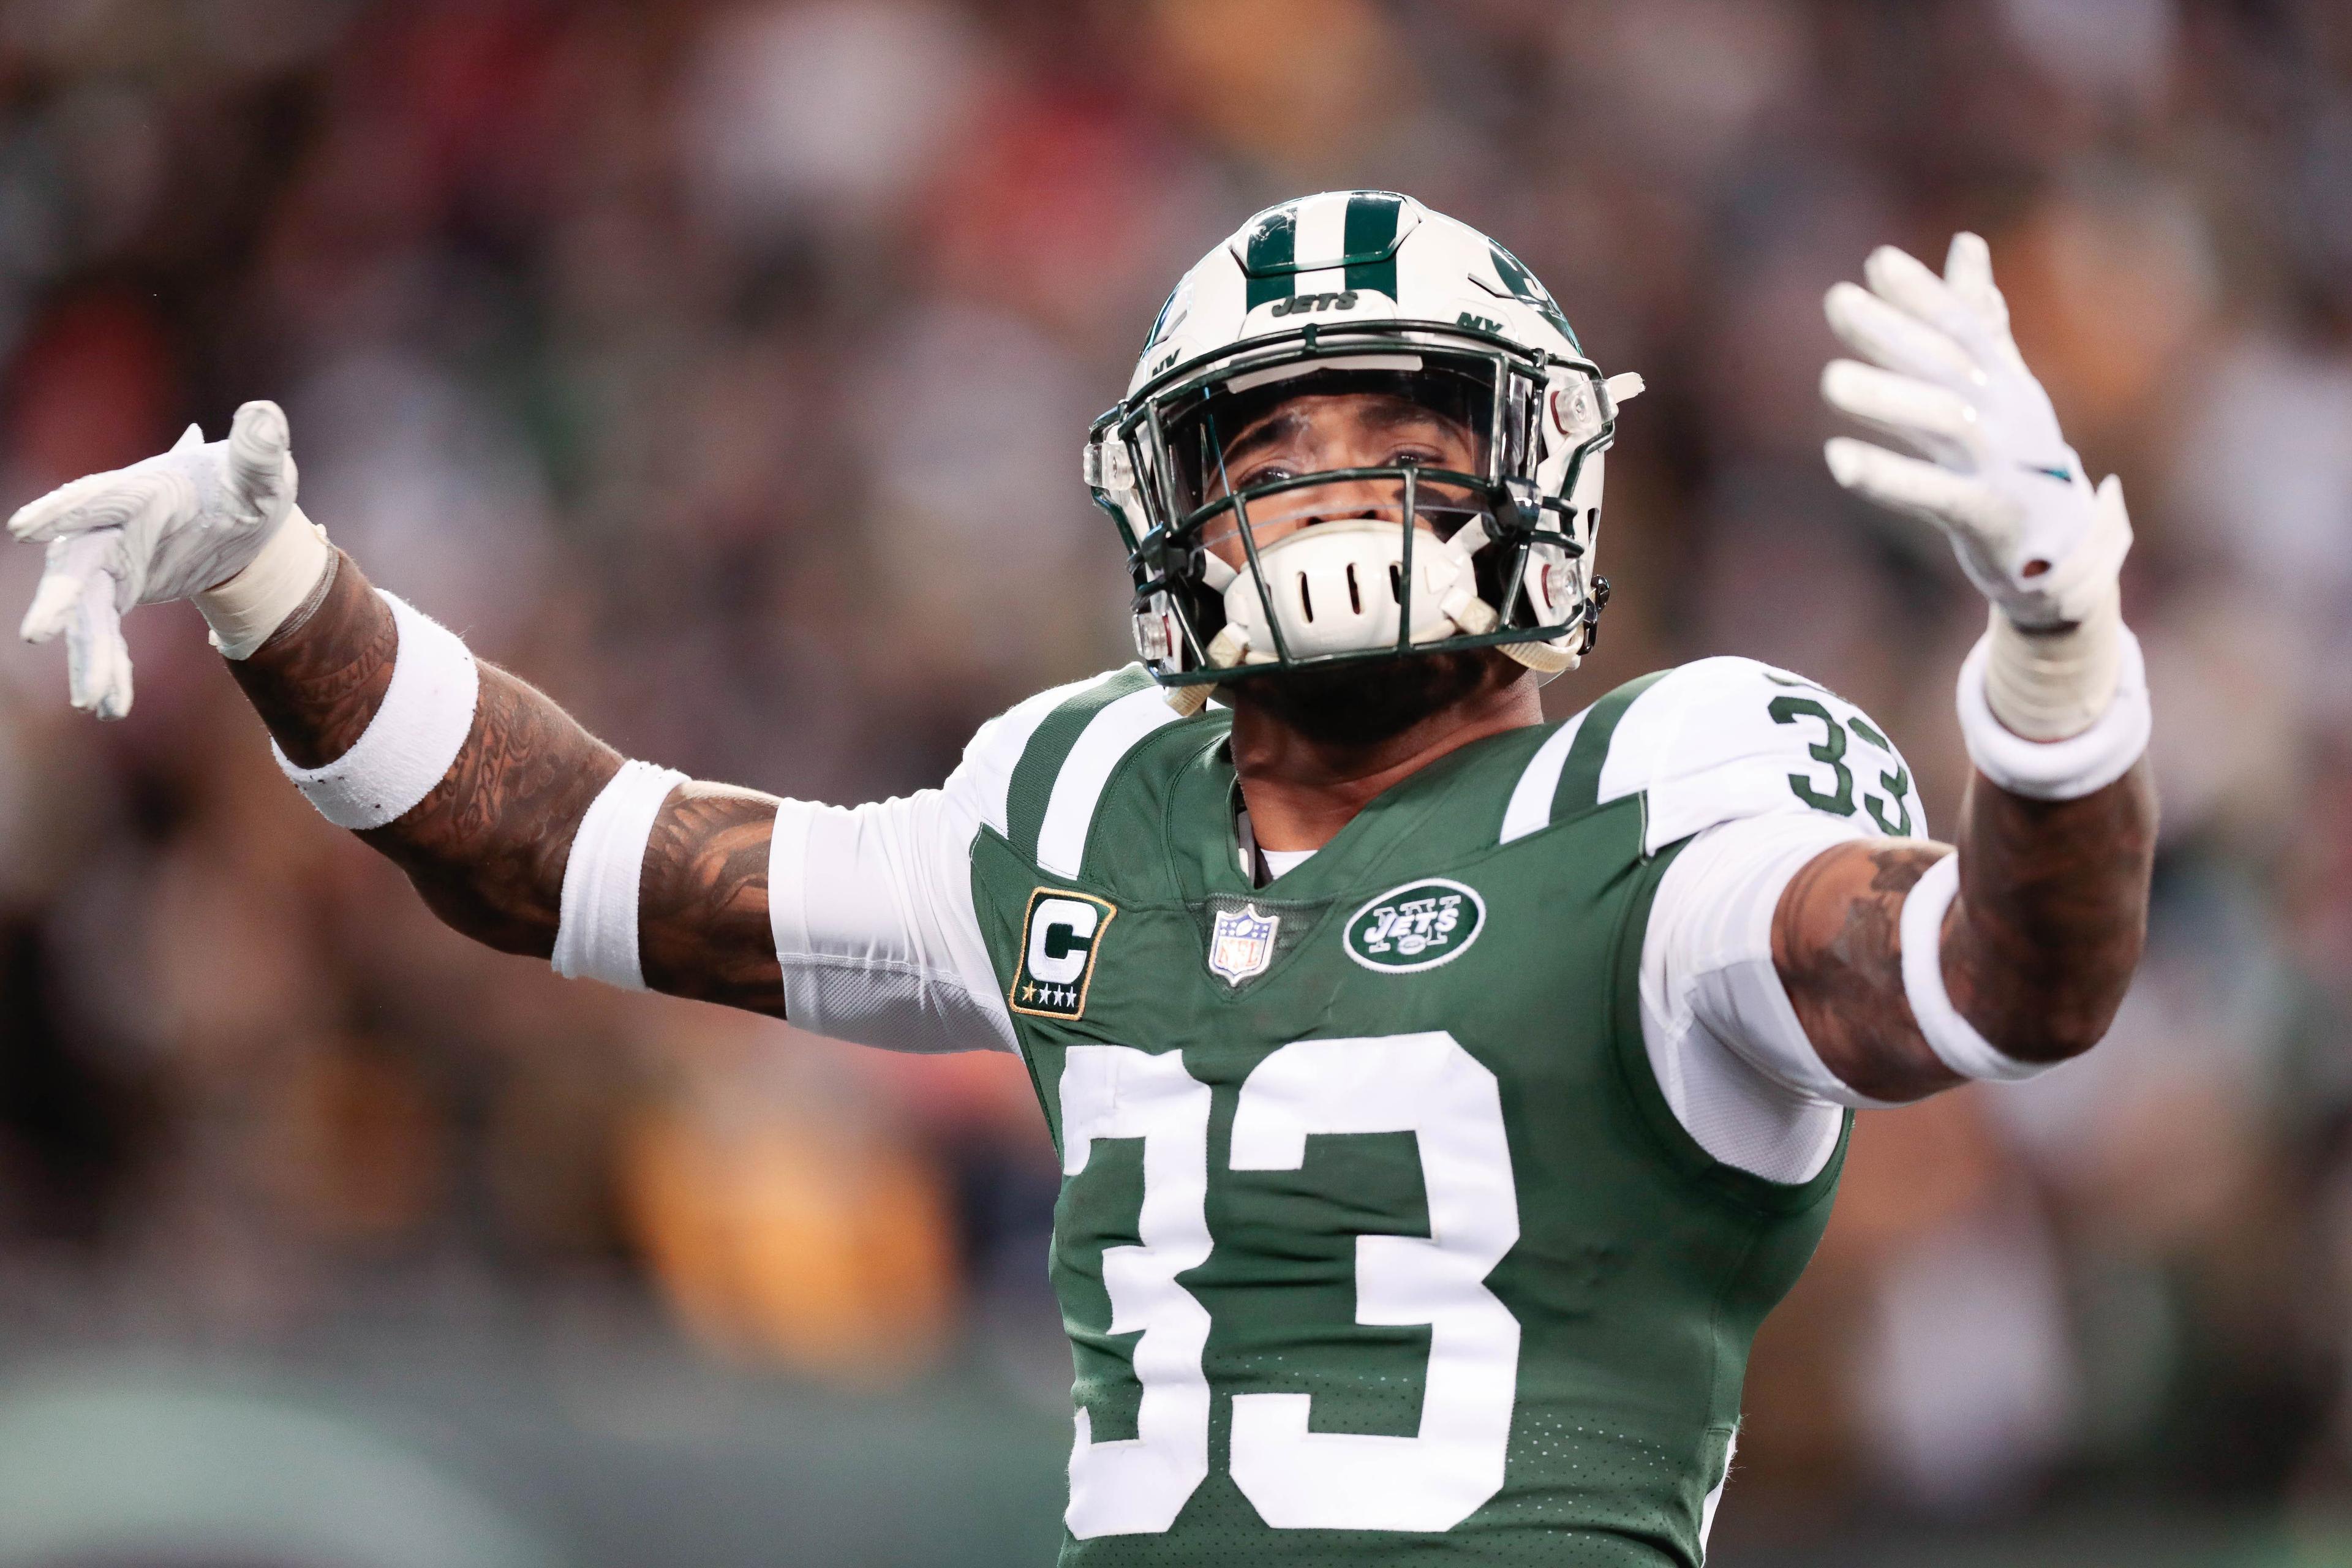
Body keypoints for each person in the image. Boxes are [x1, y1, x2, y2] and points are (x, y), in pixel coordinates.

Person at [8, 191, 2154, 1566]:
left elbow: (1997, 981)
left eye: (1397, 423)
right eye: (1267, 442)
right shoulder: (1080, 799)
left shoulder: (1666, 796)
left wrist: (2052, 658)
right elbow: (580, 861)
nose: (1328, 479)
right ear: (1170, 509)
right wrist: (277, 587)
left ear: (1535, 471)